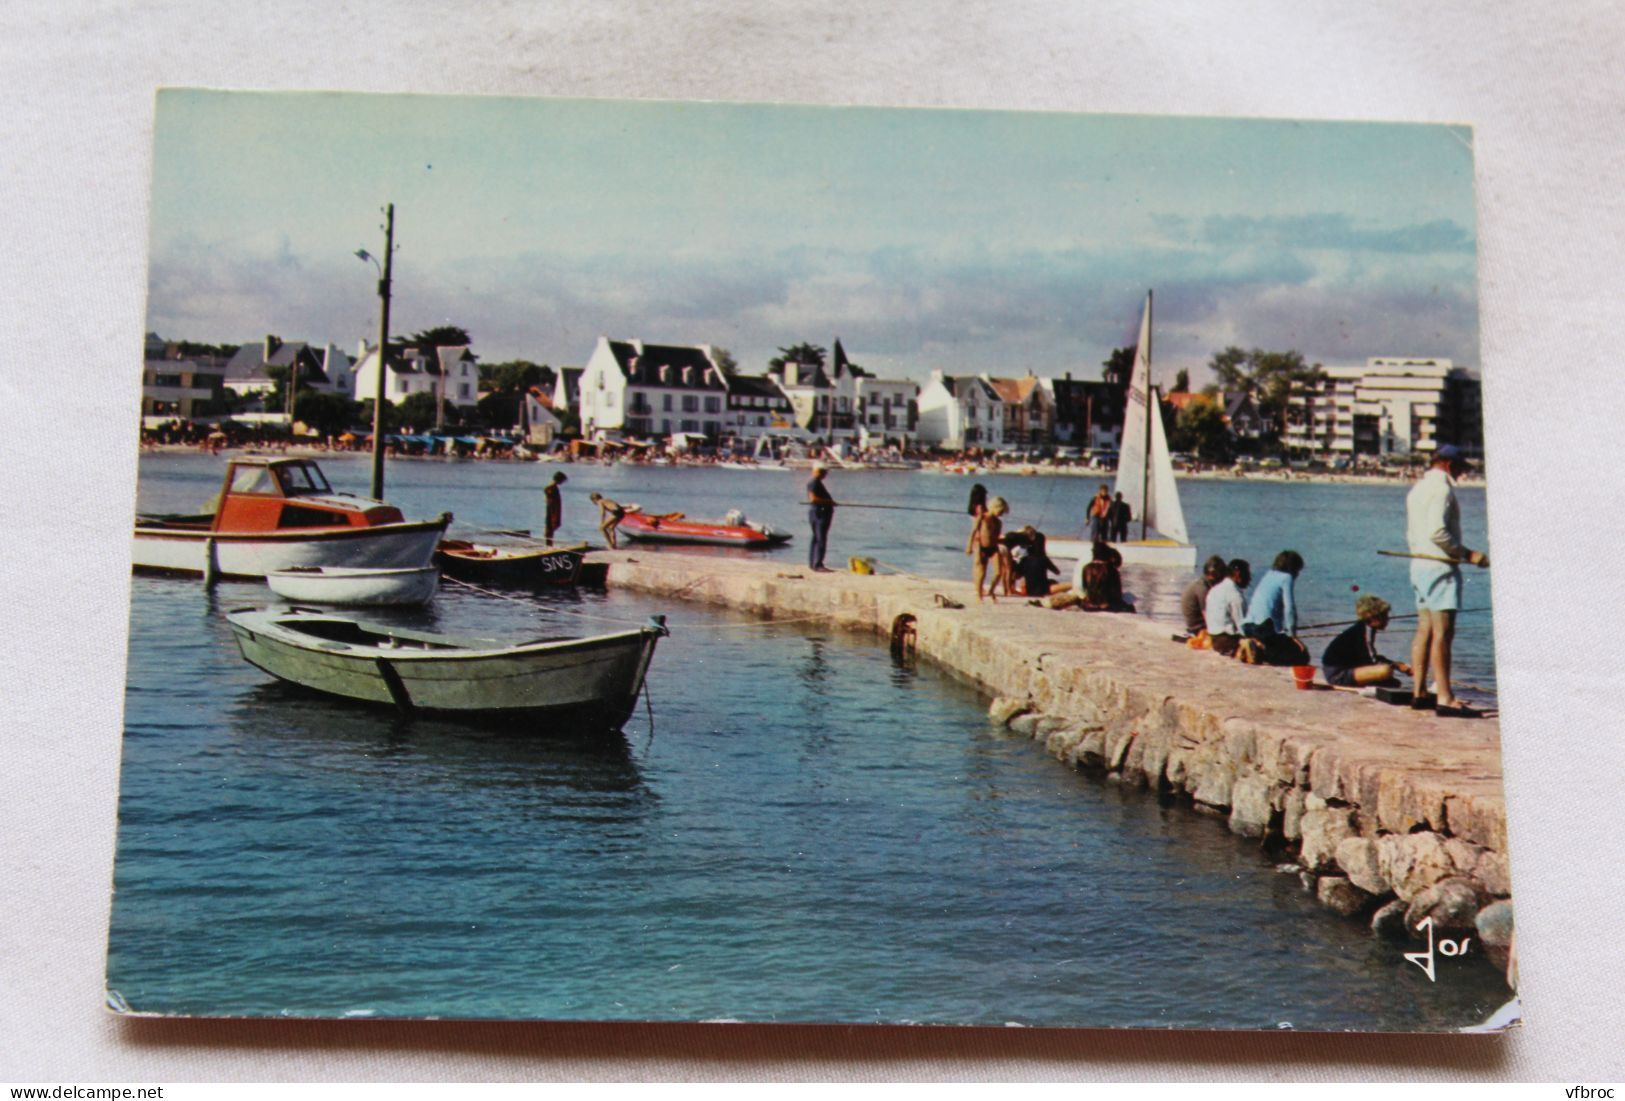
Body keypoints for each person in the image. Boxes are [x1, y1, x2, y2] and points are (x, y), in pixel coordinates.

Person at [1406, 443, 1490, 717]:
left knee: (1425, 629)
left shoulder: (1417, 489)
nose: (1461, 474)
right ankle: (1445, 697)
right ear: (1449, 465)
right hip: (1439, 567)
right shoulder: (1441, 489)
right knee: (1443, 633)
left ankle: (1419, 693)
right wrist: (1468, 554)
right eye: (1460, 468)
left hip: (1419, 564)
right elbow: (1438, 532)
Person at [1321, 594, 1413, 688]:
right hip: (1338, 675)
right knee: (1385, 671)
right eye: (1384, 615)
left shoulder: (1363, 628)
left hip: (1340, 671)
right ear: (1372, 617)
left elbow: (1370, 656)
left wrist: (1398, 665)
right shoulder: (1363, 631)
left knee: (1393, 682)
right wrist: (1397, 666)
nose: (1388, 619)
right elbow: (1372, 660)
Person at [1242, 550, 1310, 666]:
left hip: (1248, 627)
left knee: (1280, 643)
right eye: (1298, 570)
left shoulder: (1268, 574)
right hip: (1263, 628)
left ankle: (1255, 644)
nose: (1298, 575)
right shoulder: (1287, 578)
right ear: (1293, 569)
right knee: (1303, 655)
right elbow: (1290, 609)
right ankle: (1261, 650)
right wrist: (1293, 636)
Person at [1205, 558, 1252, 657]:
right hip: (1228, 641)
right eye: (1247, 574)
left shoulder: (1215, 589)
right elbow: (1242, 627)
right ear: (1238, 574)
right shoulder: (1235, 595)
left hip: (1214, 638)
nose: (1249, 579)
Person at [1181, 555, 1229, 638]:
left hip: (1195, 625)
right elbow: (1207, 615)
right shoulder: (1202, 588)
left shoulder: (1202, 583)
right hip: (1198, 628)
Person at [971, 496, 1008, 600]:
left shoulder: (998, 522)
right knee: (982, 572)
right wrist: (970, 546)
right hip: (982, 547)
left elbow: (996, 537)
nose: (1001, 514)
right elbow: (974, 532)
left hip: (994, 547)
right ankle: (979, 595)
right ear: (994, 507)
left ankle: (991, 590)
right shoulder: (982, 518)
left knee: (998, 572)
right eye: (1001, 511)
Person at [1079, 540, 1132, 612]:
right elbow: (1117, 593)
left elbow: (1084, 587)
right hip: (1107, 606)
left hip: (1089, 606)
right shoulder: (1111, 569)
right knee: (1129, 603)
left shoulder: (1086, 568)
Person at [806, 463, 836, 572]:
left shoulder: (816, 483)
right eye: (824, 472)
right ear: (818, 471)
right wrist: (829, 502)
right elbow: (813, 499)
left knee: (816, 538)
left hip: (818, 513)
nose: (825, 475)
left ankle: (813, 563)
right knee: (820, 539)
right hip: (819, 514)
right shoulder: (814, 483)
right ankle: (818, 564)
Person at [543, 471, 567, 545]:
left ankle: (549, 543)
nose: (563, 482)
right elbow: (546, 489)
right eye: (562, 480)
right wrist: (548, 499)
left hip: (553, 507)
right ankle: (548, 544)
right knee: (550, 526)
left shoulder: (553, 486)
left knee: (551, 526)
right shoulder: (552, 486)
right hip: (552, 508)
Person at [964, 483, 989, 555]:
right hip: (981, 538)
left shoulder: (974, 507)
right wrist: (969, 545)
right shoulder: (981, 508)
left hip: (978, 537)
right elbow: (975, 527)